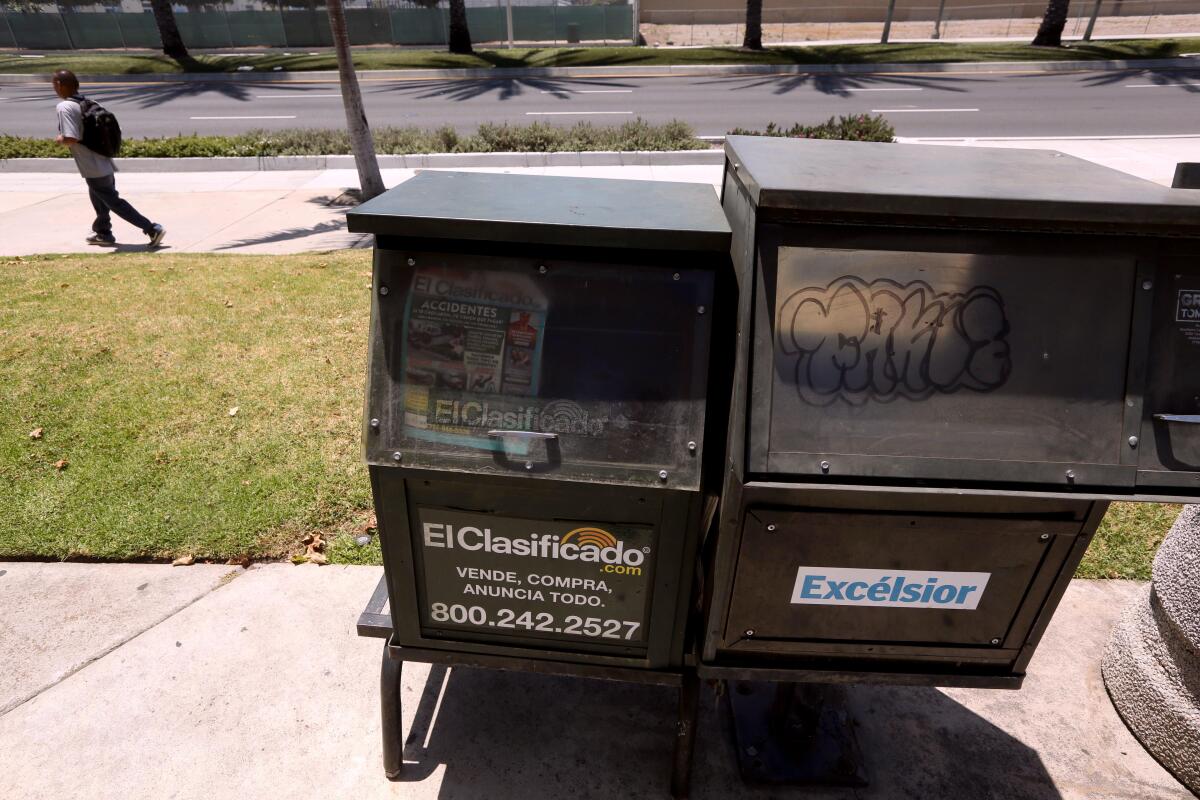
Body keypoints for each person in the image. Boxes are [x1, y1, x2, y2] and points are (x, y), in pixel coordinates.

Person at [52, 70, 165, 248]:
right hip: (104, 160)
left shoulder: (65, 107)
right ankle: (103, 232)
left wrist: (60, 139)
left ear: (59, 85)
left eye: (54, 84)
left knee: (113, 201)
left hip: (92, 165)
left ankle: (151, 228)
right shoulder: (89, 102)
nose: (54, 88)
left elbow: (71, 138)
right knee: (98, 196)